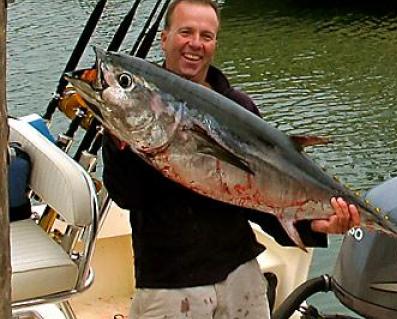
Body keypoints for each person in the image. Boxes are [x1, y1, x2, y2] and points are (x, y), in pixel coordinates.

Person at [102, 0, 360, 318]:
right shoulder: (136, 106)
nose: (195, 44)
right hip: (169, 282)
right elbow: (127, 196)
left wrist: (315, 224)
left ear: (215, 44)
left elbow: (262, 194)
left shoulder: (238, 107)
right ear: (164, 37)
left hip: (241, 274)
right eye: (186, 32)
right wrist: (118, 144)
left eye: (206, 35)